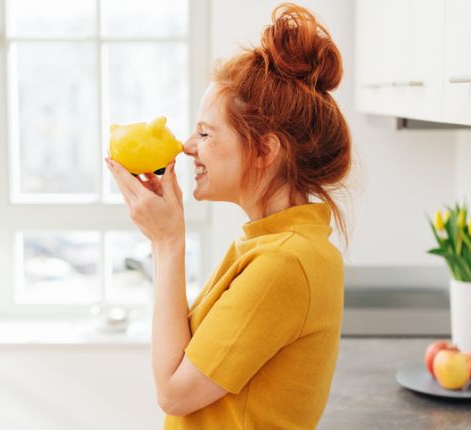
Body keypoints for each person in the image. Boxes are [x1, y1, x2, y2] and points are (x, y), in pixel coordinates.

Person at [106, 3, 352, 429]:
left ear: (264, 150)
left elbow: (173, 393)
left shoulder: (284, 262)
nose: (186, 145)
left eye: (205, 132)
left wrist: (167, 242)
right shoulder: (270, 245)